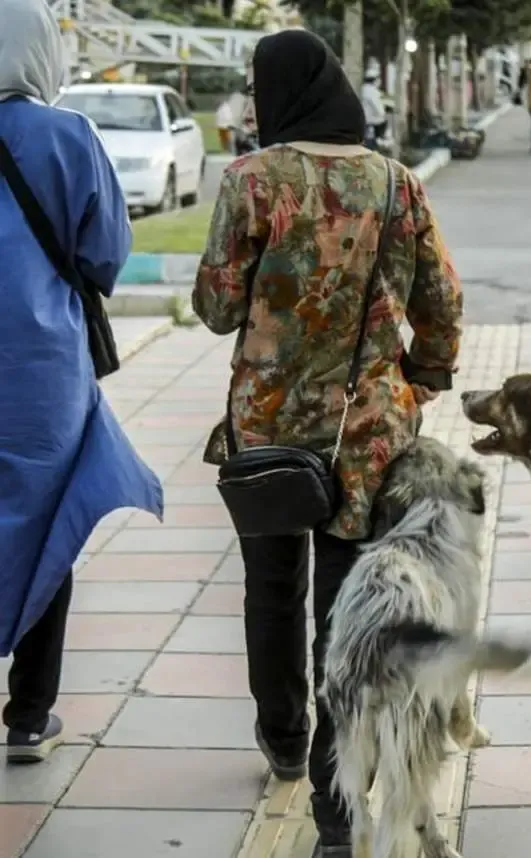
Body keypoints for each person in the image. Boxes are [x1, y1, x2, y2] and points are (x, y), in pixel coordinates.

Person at [192, 29, 462, 858]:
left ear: (278, 92)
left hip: (267, 432)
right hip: (368, 439)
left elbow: (216, 307)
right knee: (344, 619)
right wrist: (419, 377)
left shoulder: (251, 182)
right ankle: (336, 813)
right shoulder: (394, 184)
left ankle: (280, 734)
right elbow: (442, 302)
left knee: (271, 594)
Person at [0, 0, 163, 764]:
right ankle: (29, 715)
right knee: (47, 519)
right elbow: (104, 254)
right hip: (38, 371)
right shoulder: (67, 137)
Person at [360, 70, 386, 149]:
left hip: (364, 121)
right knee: (370, 143)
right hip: (371, 121)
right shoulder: (372, 91)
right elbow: (378, 108)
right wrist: (382, 114)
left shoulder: (363, 89)